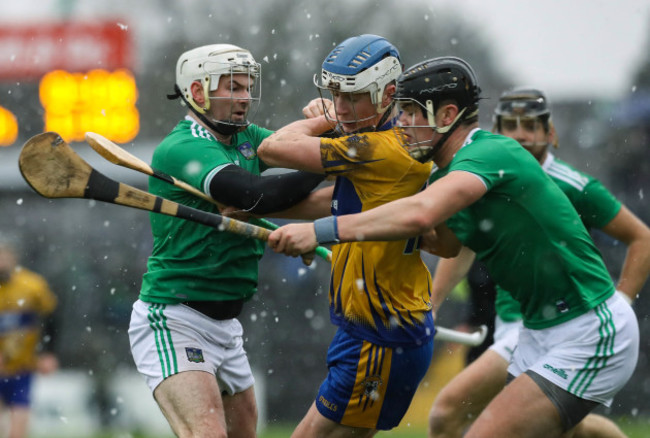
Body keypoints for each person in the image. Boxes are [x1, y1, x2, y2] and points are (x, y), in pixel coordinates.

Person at [266, 57, 641, 438]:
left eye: (412, 113)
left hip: (587, 329)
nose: (403, 124)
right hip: (540, 330)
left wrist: (323, 231)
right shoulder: (447, 174)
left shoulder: (487, 154)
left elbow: (420, 215)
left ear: (447, 115)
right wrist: (259, 208)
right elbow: (443, 243)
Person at [258, 34, 459, 437]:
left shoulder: (375, 149)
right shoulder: (392, 145)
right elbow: (332, 201)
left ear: (387, 95)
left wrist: (325, 119)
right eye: (335, 95)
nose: (344, 107)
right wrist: (260, 210)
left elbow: (272, 147)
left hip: (382, 335)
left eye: (352, 97)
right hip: (374, 330)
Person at [426, 87, 650, 438]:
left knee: (447, 412)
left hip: (559, 326)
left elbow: (643, 238)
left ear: (551, 133)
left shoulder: (573, 184)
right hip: (521, 325)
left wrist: (622, 300)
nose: (520, 134)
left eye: (530, 125)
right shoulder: (480, 175)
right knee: (561, 426)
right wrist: (432, 304)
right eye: (510, 125)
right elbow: (462, 244)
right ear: (493, 132)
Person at [128, 43, 324, 438]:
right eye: (232, 88)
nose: (243, 98)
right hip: (175, 317)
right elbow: (260, 195)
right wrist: (334, 157)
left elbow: (302, 165)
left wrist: (333, 131)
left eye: (247, 87)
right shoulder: (183, 147)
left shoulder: (247, 138)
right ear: (198, 93)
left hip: (226, 325)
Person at [0, 241, 58, 438]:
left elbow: (51, 317)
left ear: (13, 258)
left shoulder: (32, 286)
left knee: (18, 430)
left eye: (4, 256)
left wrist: (48, 353)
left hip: (22, 368)